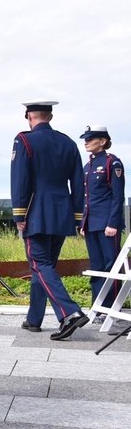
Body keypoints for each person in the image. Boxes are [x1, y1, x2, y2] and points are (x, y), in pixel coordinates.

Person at [11, 100, 88, 340]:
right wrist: (77, 214)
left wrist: (20, 214)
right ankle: (34, 319)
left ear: (29, 117)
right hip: (62, 212)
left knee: (40, 264)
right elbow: (78, 182)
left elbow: (20, 179)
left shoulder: (23, 140)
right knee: (45, 268)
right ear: (50, 117)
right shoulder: (68, 142)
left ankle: (70, 313)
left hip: (36, 210)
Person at [78, 126, 125, 314]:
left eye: (90, 139)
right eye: (85, 139)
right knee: (96, 267)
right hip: (91, 224)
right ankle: (97, 307)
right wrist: (83, 223)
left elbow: (117, 196)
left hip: (107, 225)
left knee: (111, 265)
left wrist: (113, 223)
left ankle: (111, 308)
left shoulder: (112, 163)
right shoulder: (87, 166)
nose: (86, 142)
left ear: (103, 141)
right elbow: (86, 198)